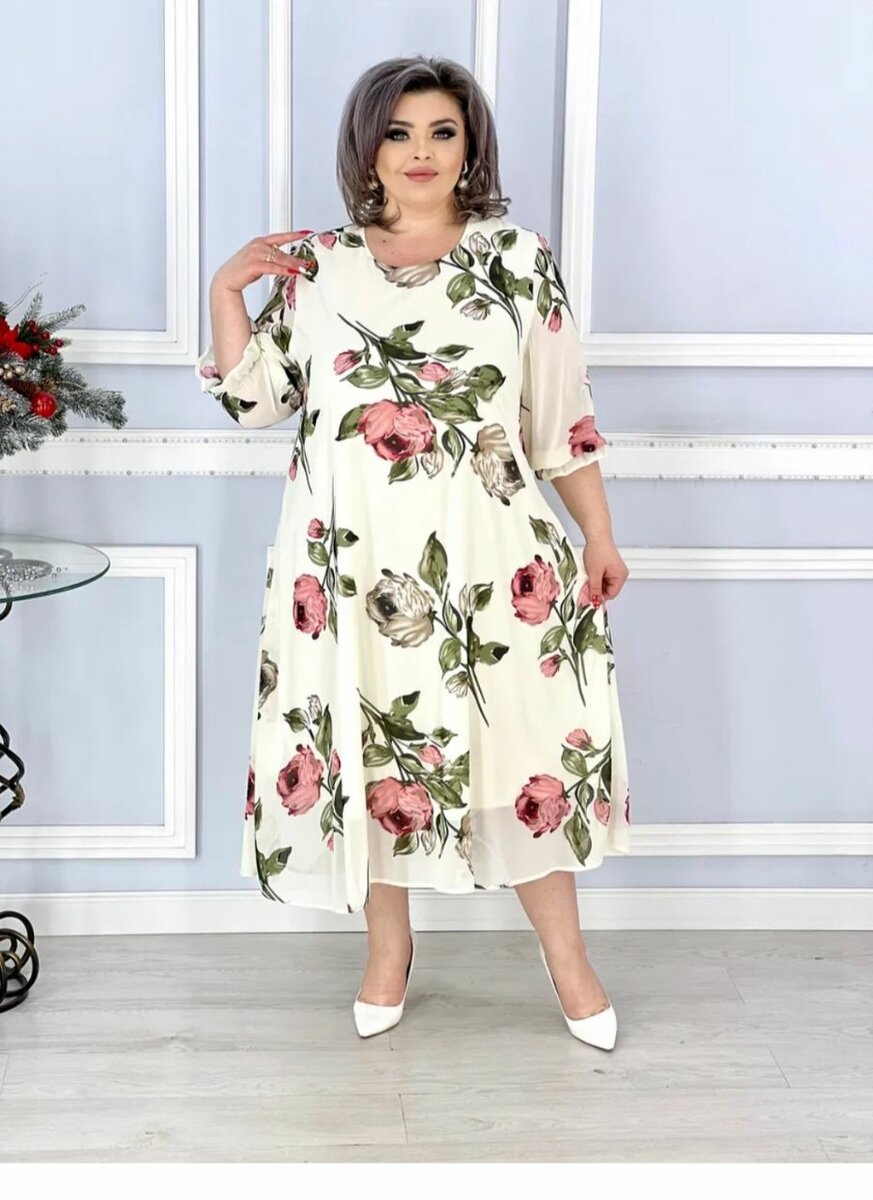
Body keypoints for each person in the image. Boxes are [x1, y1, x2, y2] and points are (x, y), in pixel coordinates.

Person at [196, 55, 632, 1048]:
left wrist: (599, 535)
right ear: (368, 147)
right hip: (346, 569)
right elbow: (255, 401)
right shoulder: (318, 265)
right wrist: (226, 288)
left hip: (495, 562)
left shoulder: (516, 258)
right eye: (398, 132)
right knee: (370, 747)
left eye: (442, 131)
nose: (421, 152)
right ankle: (386, 952)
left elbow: (560, 419)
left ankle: (569, 962)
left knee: (523, 746)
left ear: (470, 146)